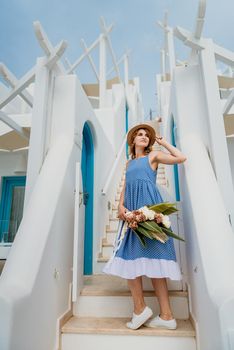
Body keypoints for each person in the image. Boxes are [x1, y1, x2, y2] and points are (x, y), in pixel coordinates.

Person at [103, 123, 187, 330]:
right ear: (132, 140)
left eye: (146, 135)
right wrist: (121, 206)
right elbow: (125, 188)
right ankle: (140, 310)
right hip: (132, 215)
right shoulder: (129, 164)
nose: (143, 137)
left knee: (156, 263)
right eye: (139, 134)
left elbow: (180, 157)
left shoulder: (153, 157)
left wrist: (162, 142)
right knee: (130, 260)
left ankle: (167, 316)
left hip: (149, 213)